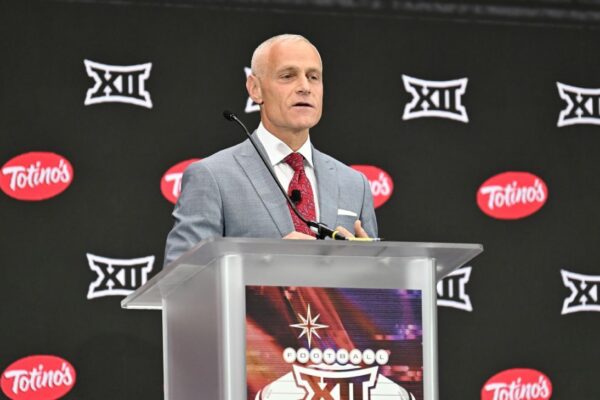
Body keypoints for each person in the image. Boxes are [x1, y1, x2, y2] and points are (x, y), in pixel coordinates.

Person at [164, 34, 377, 265]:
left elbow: (379, 279)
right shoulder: (212, 177)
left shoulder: (355, 184)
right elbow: (183, 277)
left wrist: (367, 266)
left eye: (313, 77)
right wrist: (267, 266)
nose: (305, 87)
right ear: (255, 89)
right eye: (288, 76)